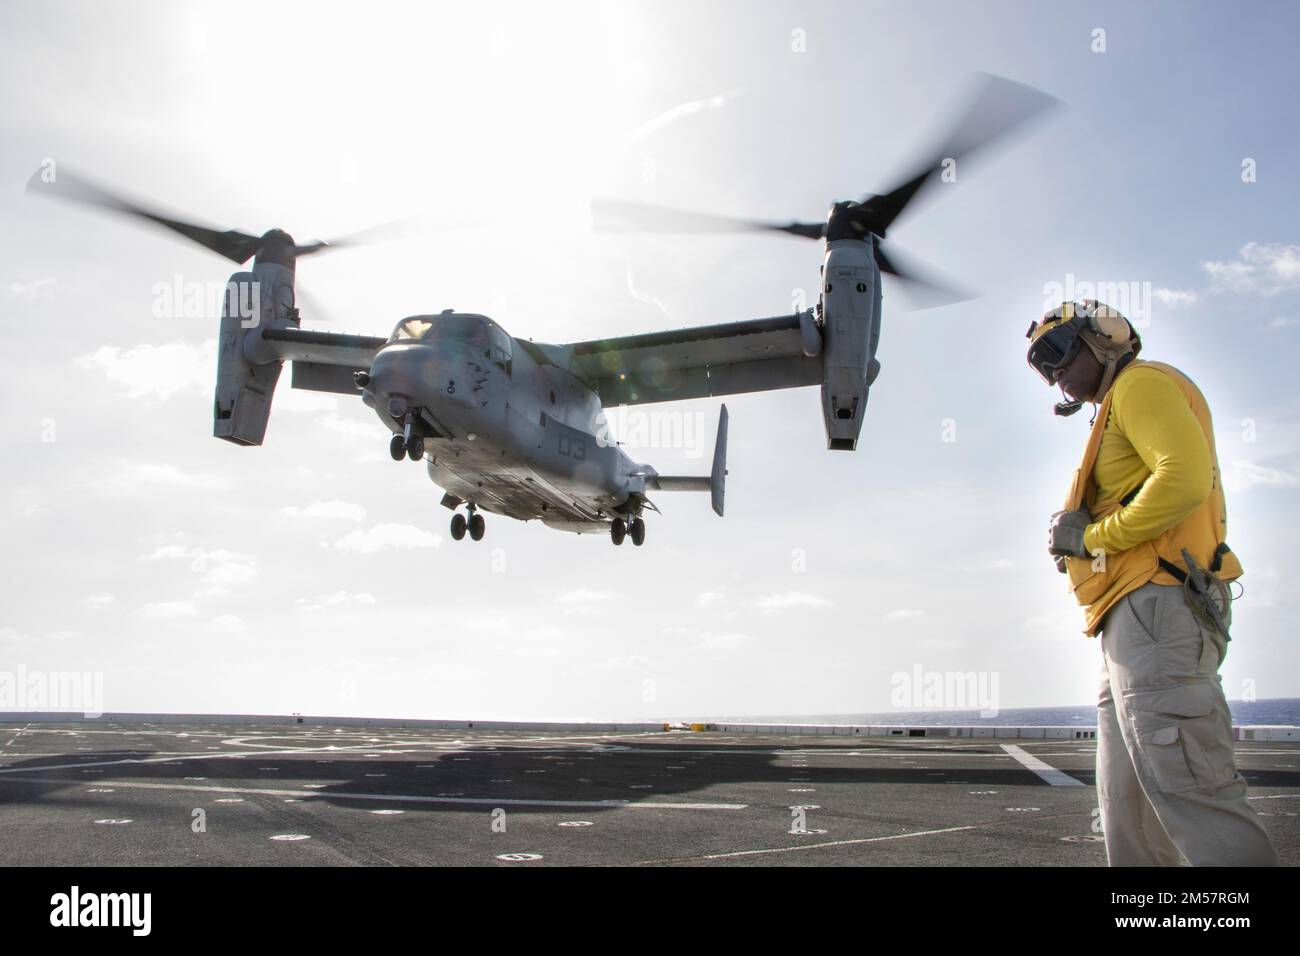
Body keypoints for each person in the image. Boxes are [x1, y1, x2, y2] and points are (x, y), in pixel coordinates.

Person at [1025, 299, 1279, 867]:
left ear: (1104, 337)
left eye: (1056, 352)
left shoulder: (1141, 384)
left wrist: (1093, 539)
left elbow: (1184, 477)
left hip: (1157, 608)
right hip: (1128, 619)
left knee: (1193, 792)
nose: (1053, 373)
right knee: (1128, 807)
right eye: (1041, 366)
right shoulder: (1116, 403)